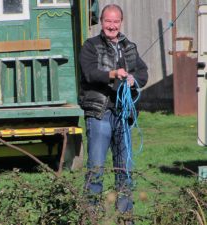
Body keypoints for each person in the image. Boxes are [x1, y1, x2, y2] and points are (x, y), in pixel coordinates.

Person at [78, 3, 148, 217]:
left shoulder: (130, 46)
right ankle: (91, 215)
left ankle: (125, 216)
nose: (112, 25)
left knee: (124, 170)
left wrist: (133, 79)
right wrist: (113, 74)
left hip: (123, 115)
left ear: (121, 22)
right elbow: (89, 73)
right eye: (108, 21)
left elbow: (143, 73)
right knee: (96, 168)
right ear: (101, 22)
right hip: (100, 114)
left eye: (115, 21)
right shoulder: (90, 45)